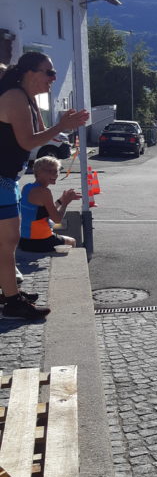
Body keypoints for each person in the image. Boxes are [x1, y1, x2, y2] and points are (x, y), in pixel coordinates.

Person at [0, 52, 88, 320]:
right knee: (7, 242)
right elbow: (28, 142)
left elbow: (39, 131)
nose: (53, 78)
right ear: (30, 72)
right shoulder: (15, 97)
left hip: (8, 178)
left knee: (8, 241)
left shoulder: (25, 97)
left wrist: (62, 124)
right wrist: (62, 125)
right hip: (1, 179)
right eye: (49, 73)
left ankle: (9, 292)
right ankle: (12, 302)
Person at [18, 156, 80, 253]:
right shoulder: (44, 191)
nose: (55, 174)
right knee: (72, 241)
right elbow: (57, 219)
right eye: (50, 171)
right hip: (41, 241)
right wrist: (65, 203)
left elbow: (44, 212)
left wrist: (61, 200)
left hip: (24, 240)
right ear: (38, 172)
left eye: (56, 171)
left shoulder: (27, 187)